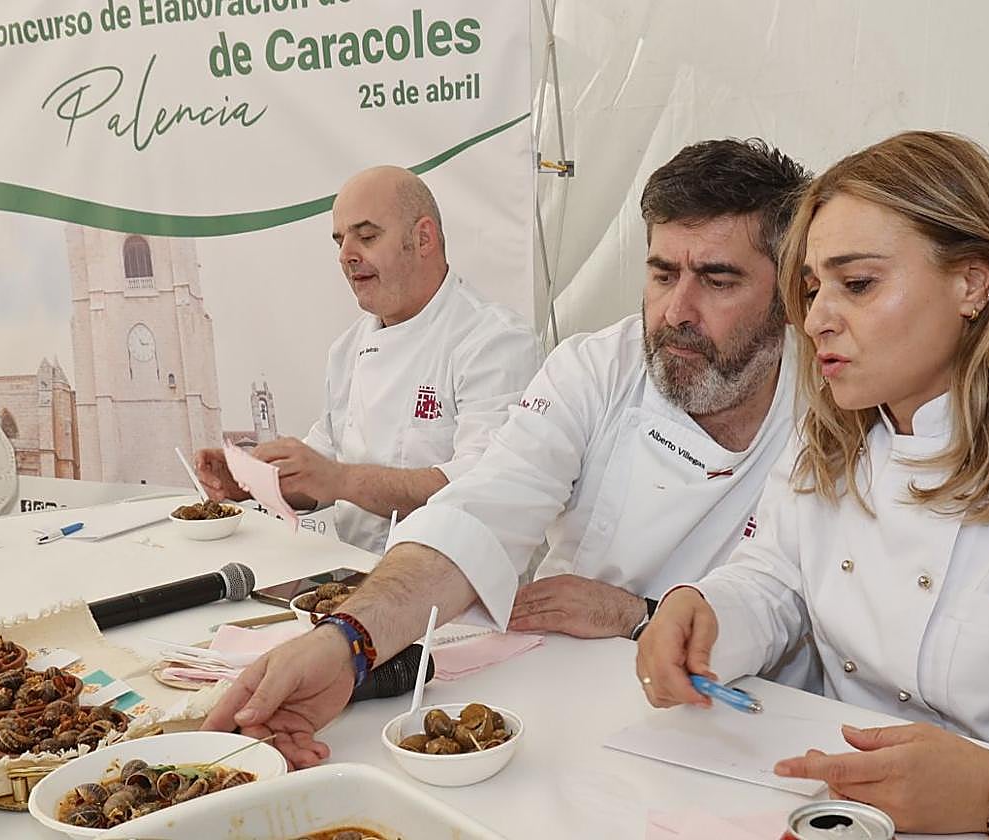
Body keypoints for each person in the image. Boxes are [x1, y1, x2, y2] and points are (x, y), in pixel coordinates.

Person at [635, 131, 989, 838]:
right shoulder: (830, 438)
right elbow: (775, 580)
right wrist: (706, 614)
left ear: (972, 284)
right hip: (834, 809)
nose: (817, 318)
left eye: (857, 284)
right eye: (810, 287)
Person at [202, 139, 813, 766]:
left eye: (718, 280)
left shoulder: (831, 408)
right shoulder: (596, 367)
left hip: (750, 721)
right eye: (661, 275)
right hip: (566, 686)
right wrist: (349, 641)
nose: (676, 312)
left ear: (790, 292)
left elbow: (787, 596)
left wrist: (639, 614)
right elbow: (483, 506)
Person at [195, 166, 541, 553]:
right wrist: (251, 480)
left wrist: (341, 480)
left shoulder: (494, 342)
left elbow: (483, 487)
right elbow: (321, 470)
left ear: (423, 238)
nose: (346, 256)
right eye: (340, 241)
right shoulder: (348, 348)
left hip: (458, 595)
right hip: (357, 579)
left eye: (367, 236)